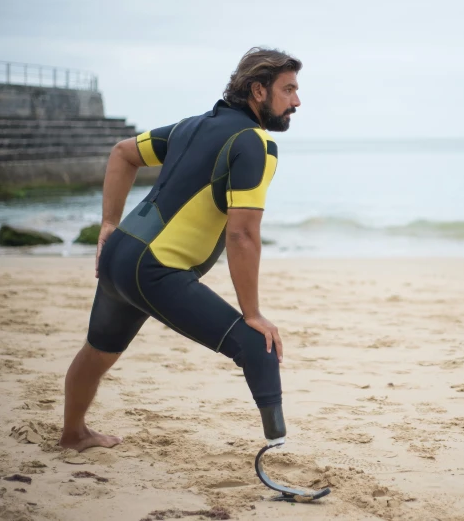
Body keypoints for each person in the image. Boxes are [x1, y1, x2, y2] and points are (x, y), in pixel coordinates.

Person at [59, 47, 302, 452]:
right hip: (156, 269)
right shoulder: (255, 144)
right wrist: (253, 313)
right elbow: (241, 235)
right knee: (257, 346)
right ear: (259, 91)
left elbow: (122, 153)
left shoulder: (190, 127)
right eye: (288, 89)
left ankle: (73, 433)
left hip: (120, 255)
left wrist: (108, 224)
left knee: (98, 351)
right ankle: (277, 460)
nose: (296, 101)